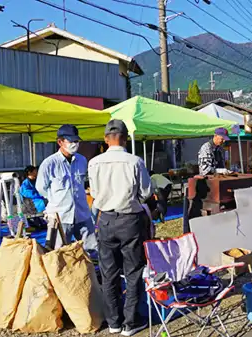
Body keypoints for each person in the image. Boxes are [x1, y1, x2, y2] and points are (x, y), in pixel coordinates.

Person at [88, 119, 152, 336]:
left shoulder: (94, 163)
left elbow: (95, 195)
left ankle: (114, 322)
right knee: (132, 271)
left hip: (105, 220)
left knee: (109, 273)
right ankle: (131, 323)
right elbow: (145, 193)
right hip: (129, 220)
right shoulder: (135, 161)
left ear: (106, 139)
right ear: (124, 138)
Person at [36, 124, 97, 253]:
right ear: (60, 142)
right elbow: (41, 188)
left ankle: (90, 273)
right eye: (71, 141)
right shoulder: (49, 164)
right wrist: (55, 201)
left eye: (77, 141)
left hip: (82, 213)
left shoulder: (82, 160)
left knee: (92, 249)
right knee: (59, 253)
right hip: (60, 216)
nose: (75, 144)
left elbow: (82, 182)